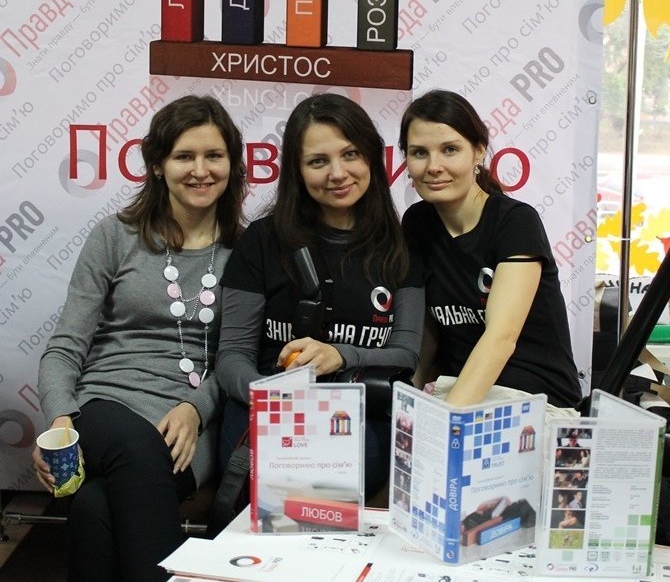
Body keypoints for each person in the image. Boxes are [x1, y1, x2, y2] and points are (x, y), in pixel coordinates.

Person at [32, 95, 246, 582]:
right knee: (131, 446)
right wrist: (60, 421)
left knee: (96, 509)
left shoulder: (247, 251)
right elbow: (64, 348)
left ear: (233, 164)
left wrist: (197, 407)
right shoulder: (116, 237)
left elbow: (239, 359)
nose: (200, 169)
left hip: (189, 426)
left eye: (214, 155)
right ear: (157, 164)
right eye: (184, 156)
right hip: (104, 408)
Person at [215, 92, 423, 501]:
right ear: (297, 170)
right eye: (318, 161)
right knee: (279, 493)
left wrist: (340, 355)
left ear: (371, 157)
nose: (337, 173)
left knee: (325, 494)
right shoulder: (262, 240)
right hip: (266, 412)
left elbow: (405, 355)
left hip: (359, 417)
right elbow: (232, 356)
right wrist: (272, 398)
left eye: (350, 154)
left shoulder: (401, 248)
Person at [399, 89, 581, 412]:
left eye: (450, 150)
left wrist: (445, 422)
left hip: (536, 401)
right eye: (419, 153)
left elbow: (501, 338)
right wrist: (406, 404)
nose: (434, 166)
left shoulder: (515, 221)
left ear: (479, 152)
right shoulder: (416, 222)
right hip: (460, 394)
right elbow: (428, 333)